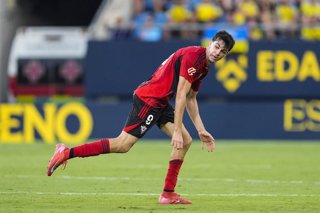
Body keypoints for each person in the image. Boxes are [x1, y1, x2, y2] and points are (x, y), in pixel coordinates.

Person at [47, 30, 235, 204]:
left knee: (186, 141)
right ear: (210, 43)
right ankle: (66, 153)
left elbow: (191, 98)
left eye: (223, 51)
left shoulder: (204, 67)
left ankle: (167, 194)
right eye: (217, 46)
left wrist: (201, 130)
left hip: (160, 101)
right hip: (150, 99)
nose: (218, 52)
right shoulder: (194, 57)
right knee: (122, 145)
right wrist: (177, 129)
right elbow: (180, 95)